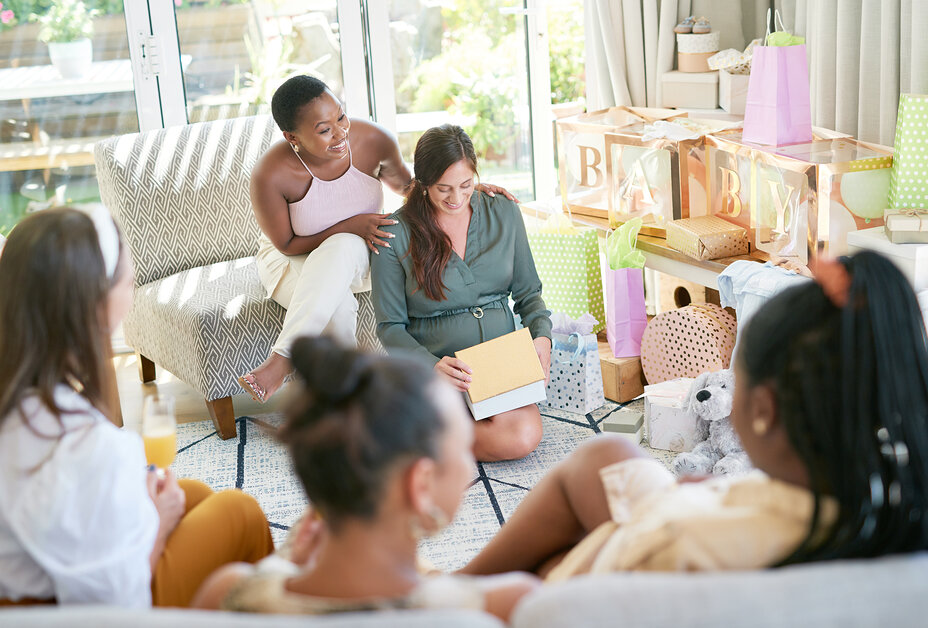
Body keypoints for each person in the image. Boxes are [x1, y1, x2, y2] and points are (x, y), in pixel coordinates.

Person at [459, 251, 928, 578]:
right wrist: (729, 493)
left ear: (762, 411)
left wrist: (605, 546)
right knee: (609, 455)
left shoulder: (682, 540)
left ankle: (453, 588)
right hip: (735, 509)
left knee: (560, 535)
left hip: (673, 536)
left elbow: (559, 598)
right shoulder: (892, 492)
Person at [0, 207, 274, 608]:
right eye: (126, 277)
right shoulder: (87, 447)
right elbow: (114, 604)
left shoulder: (22, 397)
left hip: (34, 572)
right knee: (241, 510)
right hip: (65, 609)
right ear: (96, 304)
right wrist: (157, 524)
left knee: (193, 493)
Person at [194, 337, 538, 622]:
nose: (469, 466)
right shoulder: (498, 606)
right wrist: (433, 578)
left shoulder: (229, 592)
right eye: (464, 446)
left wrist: (286, 563)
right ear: (420, 486)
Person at [238, 76, 512, 403]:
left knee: (344, 246)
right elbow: (287, 244)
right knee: (336, 306)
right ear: (292, 137)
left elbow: (413, 189)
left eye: (341, 117)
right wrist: (351, 223)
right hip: (291, 259)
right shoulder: (271, 173)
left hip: (359, 253)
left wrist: (460, 188)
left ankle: (284, 361)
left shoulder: (372, 140)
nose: (341, 134)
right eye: (325, 130)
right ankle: (347, 396)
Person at [370, 125, 551, 462]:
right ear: (422, 184)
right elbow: (390, 326)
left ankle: (416, 438)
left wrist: (542, 338)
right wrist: (433, 366)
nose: (455, 199)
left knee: (523, 436)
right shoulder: (393, 235)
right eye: (443, 189)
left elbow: (529, 294)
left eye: (466, 185)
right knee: (501, 434)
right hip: (437, 368)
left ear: (476, 176)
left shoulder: (504, 212)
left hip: (498, 364)